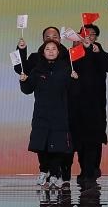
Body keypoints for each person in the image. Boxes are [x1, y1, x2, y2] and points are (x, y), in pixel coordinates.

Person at [69, 24, 108, 185]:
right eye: (84, 33)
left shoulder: (99, 52)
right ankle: (86, 170)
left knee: (95, 137)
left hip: (96, 105)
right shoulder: (73, 53)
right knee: (80, 139)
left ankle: (91, 170)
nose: (87, 36)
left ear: (96, 37)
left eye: (91, 34)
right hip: (76, 104)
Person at [20, 40, 79, 189]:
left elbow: (74, 92)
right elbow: (27, 90)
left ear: (58, 52)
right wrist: (23, 81)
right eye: (48, 48)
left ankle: (55, 174)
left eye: (54, 49)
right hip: (41, 114)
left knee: (57, 146)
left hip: (60, 114)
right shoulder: (37, 70)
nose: (51, 51)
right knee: (42, 145)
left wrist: (75, 80)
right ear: (43, 52)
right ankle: (43, 171)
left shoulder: (66, 69)